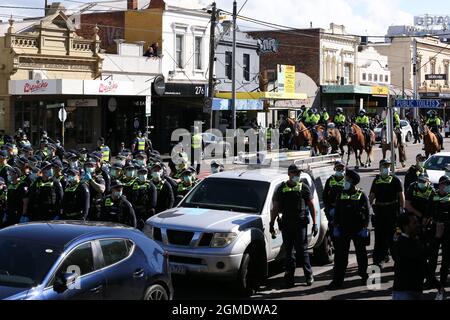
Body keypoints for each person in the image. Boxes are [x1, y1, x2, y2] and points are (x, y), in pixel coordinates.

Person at [270, 164, 317, 288]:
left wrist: (315, 223)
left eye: (298, 173)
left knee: (302, 250)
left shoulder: (303, 187)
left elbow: (311, 205)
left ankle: (308, 275)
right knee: (289, 252)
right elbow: (275, 208)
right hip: (286, 223)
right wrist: (271, 222)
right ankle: (289, 278)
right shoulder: (281, 188)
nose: (297, 175)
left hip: (300, 223)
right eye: (295, 173)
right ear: (289, 174)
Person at [328, 170, 369, 289]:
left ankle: (364, 276)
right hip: (343, 229)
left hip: (358, 229)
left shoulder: (361, 194)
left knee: (361, 254)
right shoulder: (341, 194)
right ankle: (337, 281)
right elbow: (337, 213)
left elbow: (367, 212)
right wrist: (335, 226)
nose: (345, 181)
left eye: (347, 179)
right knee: (340, 256)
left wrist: (365, 228)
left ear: (352, 182)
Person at [369, 159, 405, 267]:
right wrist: (369, 208)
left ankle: (398, 261)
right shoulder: (376, 180)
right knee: (379, 237)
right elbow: (372, 196)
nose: (386, 168)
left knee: (394, 237)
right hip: (380, 211)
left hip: (392, 211)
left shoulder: (395, 180)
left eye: (388, 166)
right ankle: (378, 260)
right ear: (380, 167)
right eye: (384, 166)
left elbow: (401, 196)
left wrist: (402, 210)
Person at [392, 213, 427, 300]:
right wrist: (437, 238)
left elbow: (423, 264)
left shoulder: (413, 239)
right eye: (414, 223)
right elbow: (421, 256)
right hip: (405, 292)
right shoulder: (402, 242)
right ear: (406, 226)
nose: (418, 225)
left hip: (415, 290)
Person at [429, 175, 450, 300]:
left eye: (448, 184)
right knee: (432, 256)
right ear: (440, 185)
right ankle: (431, 280)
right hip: (435, 229)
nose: (447, 186)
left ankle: (442, 281)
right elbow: (428, 212)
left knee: (446, 258)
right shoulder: (434, 195)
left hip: (448, 230)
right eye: (445, 184)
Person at [323, 161, 346, 238]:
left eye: (341, 168)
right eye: (338, 168)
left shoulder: (347, 180)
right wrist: (328, 208)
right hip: (332, 208)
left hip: (344, 209)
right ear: (334, 169)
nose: (340, 169)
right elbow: (325, 195)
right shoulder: (330, 180)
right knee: (333, 230)